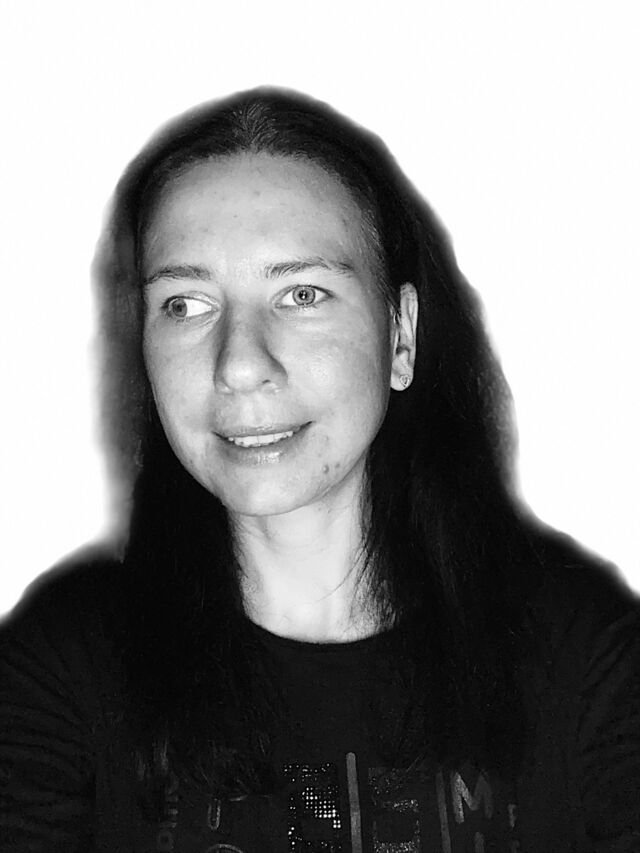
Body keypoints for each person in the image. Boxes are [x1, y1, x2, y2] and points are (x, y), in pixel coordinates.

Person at [0, 87, 638, 852]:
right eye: (185, 304)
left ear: (401, 336)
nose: (239, 365)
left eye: (301, 294)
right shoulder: (63, 669)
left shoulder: (583, 657)